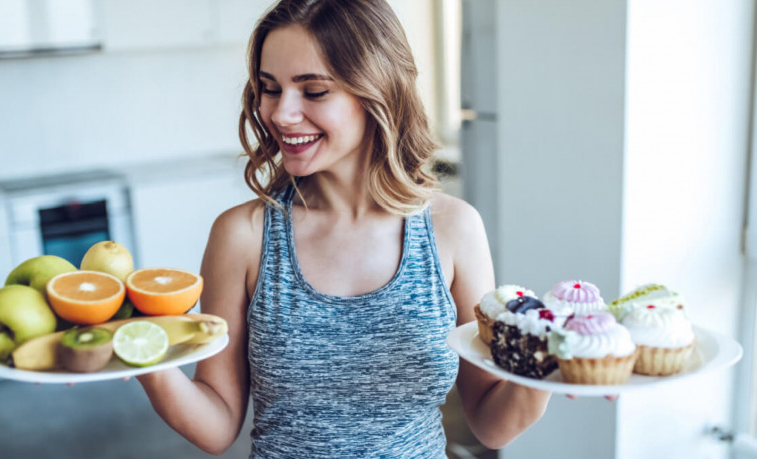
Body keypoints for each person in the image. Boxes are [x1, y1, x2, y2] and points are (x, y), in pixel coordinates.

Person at [136, 0, 551, 456]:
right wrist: (138, 353)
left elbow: (492, 425)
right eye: (270, 88)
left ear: (378, 92)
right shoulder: (244, 236)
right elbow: (217, 425)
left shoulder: (453, 229)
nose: (280, 114)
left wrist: (549, 367)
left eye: (313, 91)